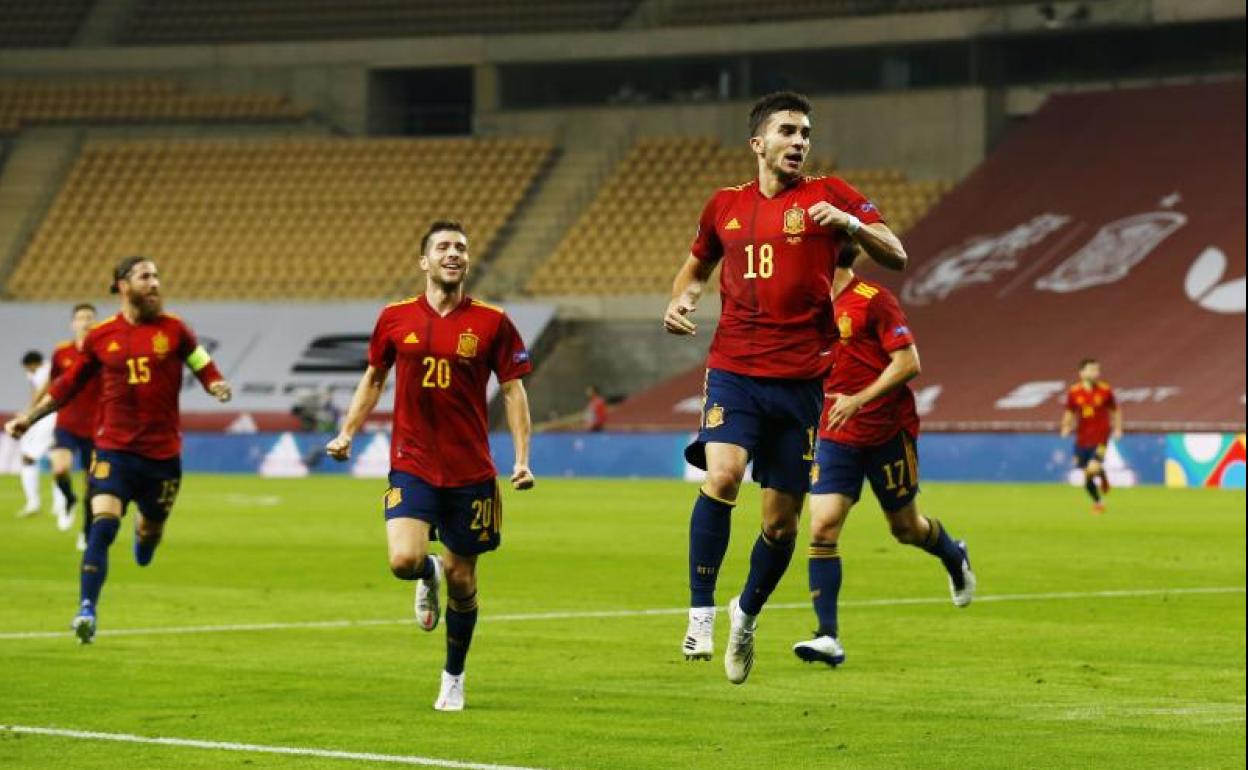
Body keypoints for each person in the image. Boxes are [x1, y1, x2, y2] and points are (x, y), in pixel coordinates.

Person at [663, 91, 908, 684]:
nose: (799, 142)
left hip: (800, 382)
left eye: (805, 133)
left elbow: (896, 254)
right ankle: (699, 612)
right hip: (734, 369)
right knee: (721, 476)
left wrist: (851, 223)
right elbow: (697, 265)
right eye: (788, 132)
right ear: (759, 143)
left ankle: (744, 615)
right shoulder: (723, 206)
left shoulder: (830, 195)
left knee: (781, 525)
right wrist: (682, 298)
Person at [327, 221, 535, 711]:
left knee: (465, 581)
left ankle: (454, 676)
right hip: (412, 462)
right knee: (402, 561)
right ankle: (427, 574)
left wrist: (522, 459)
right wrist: (347, 433)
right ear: (424, 261)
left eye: (461, 247)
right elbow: (374, 379)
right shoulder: (395, 318)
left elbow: (512, 390)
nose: (454, 253)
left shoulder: (492, 322)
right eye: (442, 247)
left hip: (471, 472)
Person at [4, 256, 232, 644]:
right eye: (146, 276)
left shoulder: (175, 330)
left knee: (149, 531)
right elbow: (68, 385)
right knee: (103, 526)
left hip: (163, 456)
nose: (155, 283)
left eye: (158, 275)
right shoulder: (101, 337)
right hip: (113, 450)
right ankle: (86, 610)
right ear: (123, 286)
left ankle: (144, 541)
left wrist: (215, 383)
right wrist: (31, 416)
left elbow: (200, 361)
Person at [792, 246, 975, 668]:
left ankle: (952, 553)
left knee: (906, 529)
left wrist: (860, 398)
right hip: (834, 434)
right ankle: (827, 637)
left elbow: (909, 363)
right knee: (821, 526)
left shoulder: (874, 300)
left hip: (886, 432)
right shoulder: (805, 304)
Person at [35, 303, 102, 546]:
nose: (85, 322)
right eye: (81, 317)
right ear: (72, 323)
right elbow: (54, 385)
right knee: (59, 468)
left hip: (95, 428)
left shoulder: (103, 353)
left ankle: (86, 531)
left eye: (89, 317)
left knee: (92, 486)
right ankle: (68, 499)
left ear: (95, 322)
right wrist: (34, 410)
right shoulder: (61, 352)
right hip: (67, 423)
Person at [1060, 358, 1122, 514]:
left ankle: (1100, 489)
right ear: (1081, 373)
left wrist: (1118, 428)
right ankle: (1099, 499)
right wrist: (1066, 427)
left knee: (1090, 469)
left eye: (1097, 370)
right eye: (1092, 370)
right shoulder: (1074, 392)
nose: (1095, 373)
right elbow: (1069, 411)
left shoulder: (1105, 390)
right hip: (1082, 439)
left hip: (1101, 437)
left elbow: (1116, 410)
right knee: (1085, 471)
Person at [15, 351, 55, 518]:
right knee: (57, 459)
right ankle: (61, 504)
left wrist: (28, 412)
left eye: (28, 369)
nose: (27, 372)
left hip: (48, 417)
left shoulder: (45, 371)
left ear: (32, 364)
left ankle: (34, 504)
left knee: (28, 458)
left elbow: (42, 393)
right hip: (52, 416)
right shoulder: (47, 368)